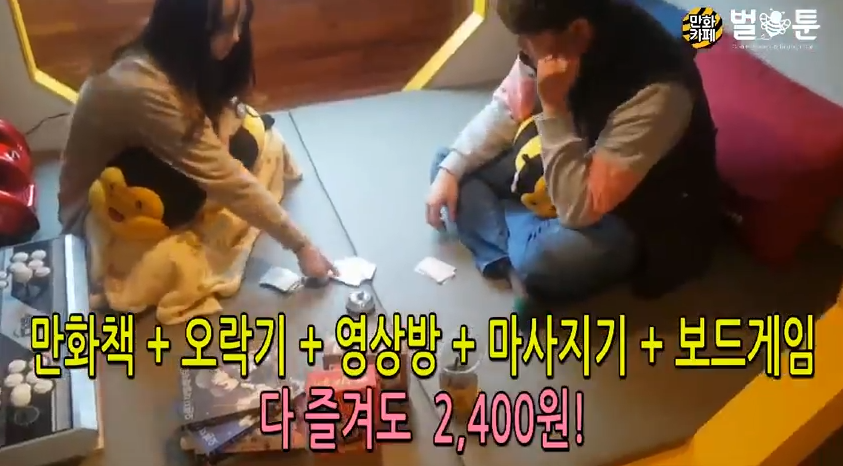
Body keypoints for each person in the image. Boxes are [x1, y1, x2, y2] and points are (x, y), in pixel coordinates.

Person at [425, 0, 720, 307]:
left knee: (542, 259)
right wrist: (452, 168)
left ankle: (507, 245)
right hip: (580, 156)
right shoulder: (560, 39)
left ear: (577, 31)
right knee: (449, 166)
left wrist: (554, 107)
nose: (521, 46)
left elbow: (579, 209)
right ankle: (513, 257)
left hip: (640, 210)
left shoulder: (659, 90)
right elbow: (509, 107)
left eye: (528, 38)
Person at [58, 0, 336, 279]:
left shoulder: (171, 49)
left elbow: (222, 106)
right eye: (225, 27)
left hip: (135, 157)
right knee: (234, 163)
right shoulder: (142, 86)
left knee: (242, 141)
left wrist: (221, 137)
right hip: (92, 213)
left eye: (241, 22)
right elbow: (227, 178)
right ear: (189, 29)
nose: (236, 37)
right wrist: (301, 245)